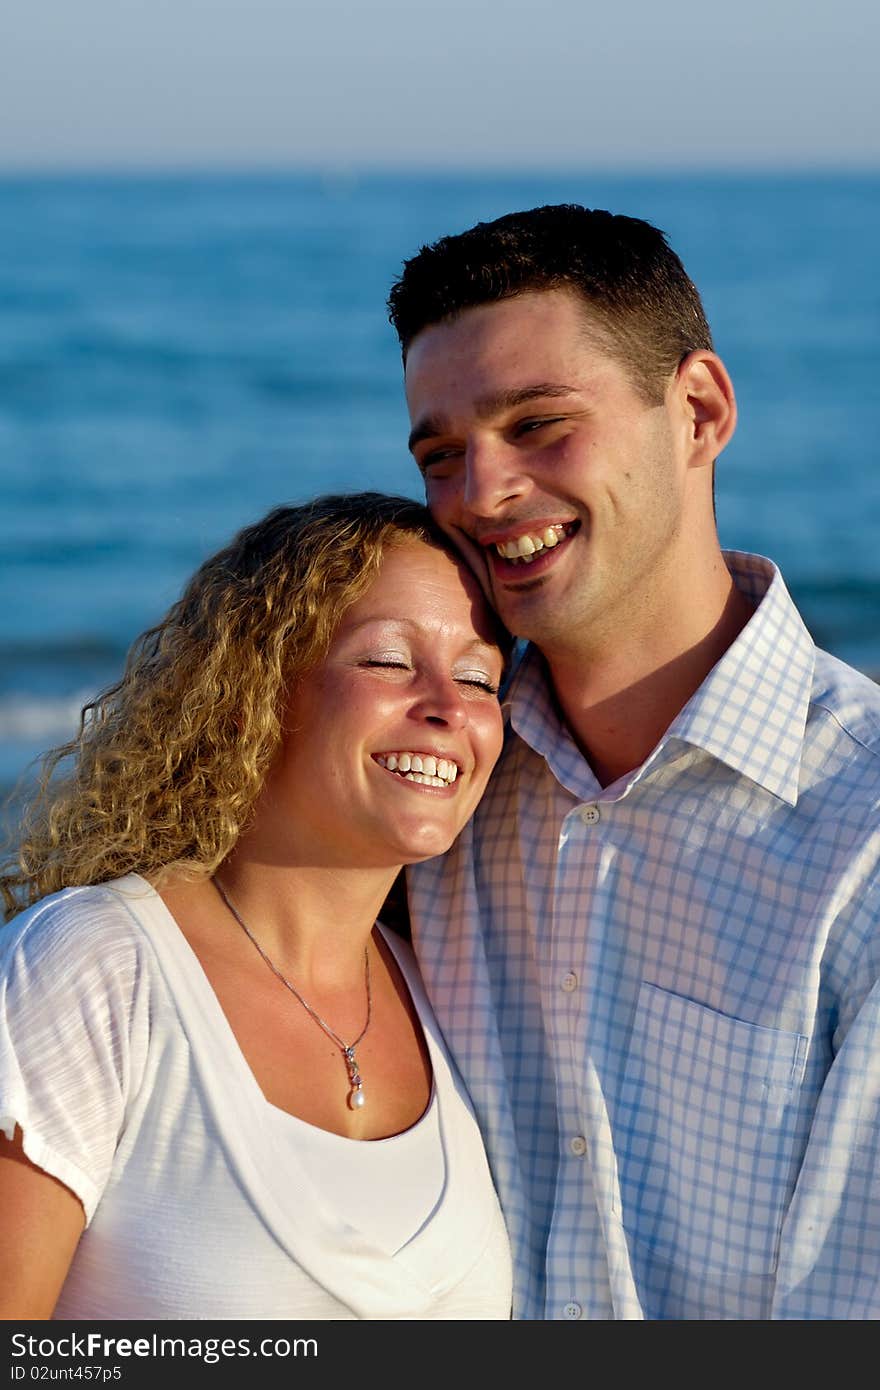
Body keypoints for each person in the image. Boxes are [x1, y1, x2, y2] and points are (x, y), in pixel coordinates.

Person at [386, 204, 880, 1320]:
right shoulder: (432, 780)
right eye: (440, 455)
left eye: (538, 425)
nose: (481, 492)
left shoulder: (862, 836)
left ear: (698, 410)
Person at [0, 492, 513, 1321]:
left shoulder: (439, 991)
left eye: (479, 677)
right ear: (256, 690)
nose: (448, 708)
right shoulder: (93, 968)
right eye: (387, 661)